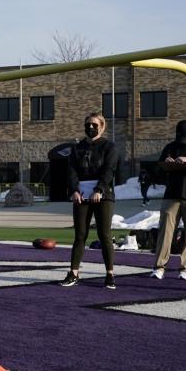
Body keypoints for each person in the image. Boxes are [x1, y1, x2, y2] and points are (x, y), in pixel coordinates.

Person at [60, 112, 120, 289]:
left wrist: (100, 189)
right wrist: (74, 191)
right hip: (82, 194)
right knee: (80, 234)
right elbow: (71, 171)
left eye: (94, 124)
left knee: (104, 234)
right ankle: (74, 272)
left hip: (103, 194)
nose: (91, 127)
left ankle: (110, 274)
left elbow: (109, 170)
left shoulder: (109, 147)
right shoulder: (77, 148)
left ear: (102, 126)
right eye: (88, 124)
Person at [150, 120, 186, 281]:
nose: (183, 140)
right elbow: (158, 171)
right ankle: (159, 266)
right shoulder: (170, 147)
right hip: (172, 194)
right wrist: (165, 164)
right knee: (165, 231)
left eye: (185, 137)